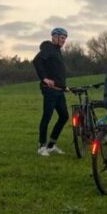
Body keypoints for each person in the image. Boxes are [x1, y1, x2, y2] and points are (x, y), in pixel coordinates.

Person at [32, 27, 70, 156]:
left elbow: (56, 71)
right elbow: (37, 61)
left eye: (65, 38)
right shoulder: (48, 48)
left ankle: (51, 145)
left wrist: (65, 87)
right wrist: (44, 78)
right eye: (61, 37)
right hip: (50, 91)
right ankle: (42, 146)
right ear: (54, 37)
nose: (63, 40)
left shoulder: (57, 51)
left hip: (59, 91)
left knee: (64, 116)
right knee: (46, 117)